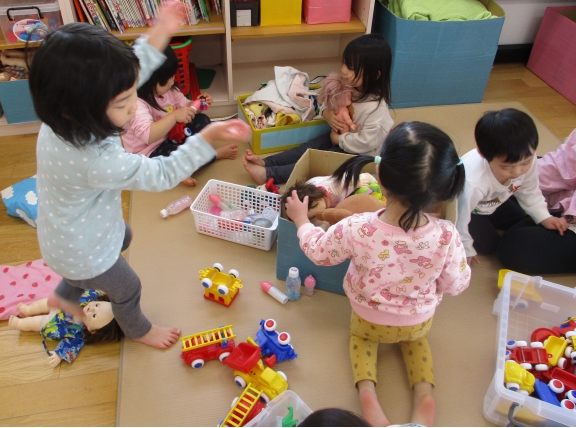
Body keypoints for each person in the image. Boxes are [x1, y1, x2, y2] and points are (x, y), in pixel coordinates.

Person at [28, 1, 251, 350]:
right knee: (127, 287)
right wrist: (207, 138)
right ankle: (138, 330)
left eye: (132, 94)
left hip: (62, 236)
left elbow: (134, 67)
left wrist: (162, 29)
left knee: (125, 236)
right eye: (122, 104)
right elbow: (162, 173)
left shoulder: (58, 120)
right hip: (83, 252)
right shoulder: (97, 160)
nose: (134, 107)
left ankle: (64, 295)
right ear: (80, 110)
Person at [285, 122, 470, 427]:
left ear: (379, 176)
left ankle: (368, 393)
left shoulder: (357, 226)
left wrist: (302, 220)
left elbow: (319, 251)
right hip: (418, 320)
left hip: (368, 317)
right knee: (417, 342)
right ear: (441, 190)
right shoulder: (447, 235)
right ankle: (425, 395)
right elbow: (455, 285)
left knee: (360, 339)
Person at [243, 33, 394, 185]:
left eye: (352, 68)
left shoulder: (377, 110)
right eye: (345, 63)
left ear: (374, 75)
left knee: (318, 162)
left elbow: (366, 143)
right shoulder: (350, 86)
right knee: (308, 147)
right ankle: (267, 163)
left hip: (360, 154)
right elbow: (327, 101)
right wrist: (327, 113)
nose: (344, 70)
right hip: (340, 137)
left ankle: (269, 174)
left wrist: (339, 140)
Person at [456, 108, 568, 267]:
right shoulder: (473, 183)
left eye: (526, 162)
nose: (518, 172)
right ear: (483, 154)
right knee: (490, 246)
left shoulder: (527, 159)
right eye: (506, 167)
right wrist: (465, 246)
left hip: (492, 201)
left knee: (520, 218)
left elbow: (530, 190)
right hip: (470, 210)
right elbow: (459, 216)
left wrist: (544, 216)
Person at [122, 45, 238, 187]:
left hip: (172, 135)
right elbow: (149, 135)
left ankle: (185, 166)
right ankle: (213, 155)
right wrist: (174, 116)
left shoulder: (170, 89)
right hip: (149, 153)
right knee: (168, 163)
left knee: (203, 121)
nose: (172, 82)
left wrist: (198, 104)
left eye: (173, 76)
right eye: (166, 80)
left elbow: (186, 107)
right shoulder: (136, 103)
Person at [497, 112, 576, 274]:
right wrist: (517, 179)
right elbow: (564, 163)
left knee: (516, 248)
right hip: (571, 197)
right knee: (505, 175)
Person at [8, 290, 122, 367]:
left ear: (92, 329)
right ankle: (28, 310)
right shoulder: (90, 297)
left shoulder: (79, 334)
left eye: (94, 315)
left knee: (34, 323)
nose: (91, 309)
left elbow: (71, 345)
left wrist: (59, 355)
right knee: (45, 303)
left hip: (53, 324)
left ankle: (20, 323)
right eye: (97, 305)